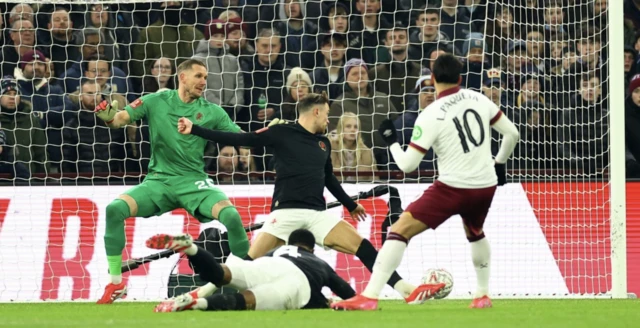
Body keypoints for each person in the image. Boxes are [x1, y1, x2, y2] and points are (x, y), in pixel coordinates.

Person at [176, 92, 442, 303]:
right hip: (285, 214)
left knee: (363, 247)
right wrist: (196, 129)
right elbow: (238, 137)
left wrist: (350, 204)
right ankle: (199, 294)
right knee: (243, 262)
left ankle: (406, 290)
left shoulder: (324, 143)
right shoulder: (280, 132)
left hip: (317, 215)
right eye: (327, 113)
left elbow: (328, 178)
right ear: (315, 111)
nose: (329, 119)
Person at [331, 53, 520, 311]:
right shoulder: (479, 99)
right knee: (475, 232)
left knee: (398, 230)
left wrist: (393, 142)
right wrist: (499, 164)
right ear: (460, 78)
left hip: (453, 187)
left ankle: (370, 296)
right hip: (484, 186)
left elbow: (407, 165)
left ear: (433, 78)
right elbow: (512, 134)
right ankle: (482, 294)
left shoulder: (431, 113)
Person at [93, 59, 252, 304]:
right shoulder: (155, 100)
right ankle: (116, 284)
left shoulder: (212, 112)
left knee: (231, 216)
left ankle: (251, 279)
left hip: (194, 182)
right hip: (159, 182)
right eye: (198, 76)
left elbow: (244, 138)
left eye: (205, 77)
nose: (203, 81)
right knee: (115, 210)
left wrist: (270, 135)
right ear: (182, 77)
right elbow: (120, 119)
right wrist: (108, 117)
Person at [147, 229, 356, 312]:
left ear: (291, 243)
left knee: (222, 273)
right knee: (247, 300)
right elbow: (348, 294)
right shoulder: (318, 263)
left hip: (268, 265)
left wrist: (200, 289)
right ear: (311, 248)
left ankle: (192, 248)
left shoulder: (278, 250)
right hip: (296, 282)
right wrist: (331, 303)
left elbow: (222, 278)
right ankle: (196, 305)